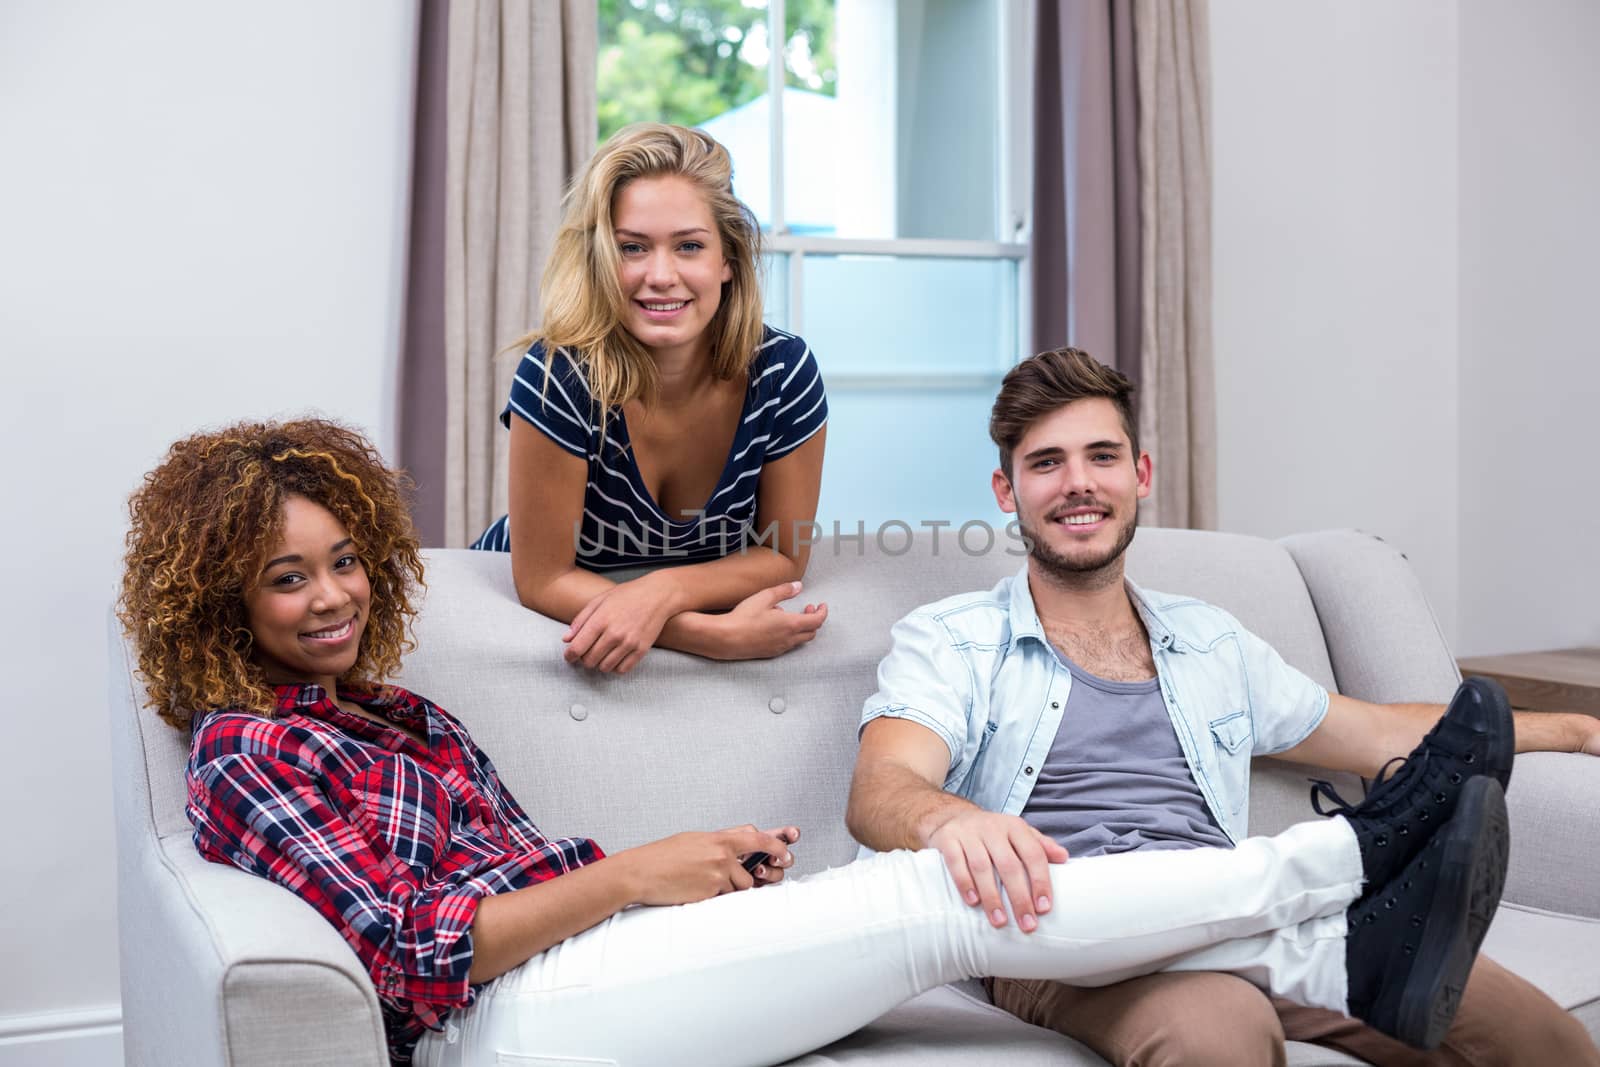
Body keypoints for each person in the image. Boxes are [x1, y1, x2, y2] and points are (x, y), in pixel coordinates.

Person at [120, 419, 1513, 1066]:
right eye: (290, 576)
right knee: (925, 894)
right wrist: (634, 873)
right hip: (504, 1024)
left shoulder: (405, 714)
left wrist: (693, 867)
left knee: (916, 907)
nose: (334, 595)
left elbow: (526, 876)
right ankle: (1340, 862)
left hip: (590, 966)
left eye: (346, 560)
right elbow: (415, 955)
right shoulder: (247, 751)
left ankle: (1329, 943)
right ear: (224, 597)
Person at [845, 348, 1600, 1066]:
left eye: (1101, 456)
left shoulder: (1210, 642)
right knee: (1219, 1034)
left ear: (1139, 474)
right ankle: (1355, 857)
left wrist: (1575, 728)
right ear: (1007, 492)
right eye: (1047, 463)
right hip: (1065, 933)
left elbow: (1378, 732)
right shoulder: (953, 639)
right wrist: (952, 819)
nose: (1079, 483)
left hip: (1231, 908)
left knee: (1536, 1033)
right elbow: (882, 787)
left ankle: (1346, 877)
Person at [470, 123, 828, 674]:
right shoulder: (557, 375)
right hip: (529, 621)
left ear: (727, 260)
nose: (660, 276)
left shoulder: (783, 372)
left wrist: (661, 591)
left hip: (630, 610)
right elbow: (543, 578)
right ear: (600, 260)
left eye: (689, 246)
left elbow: (781, 556)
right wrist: (706, 637)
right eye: (632, 248)